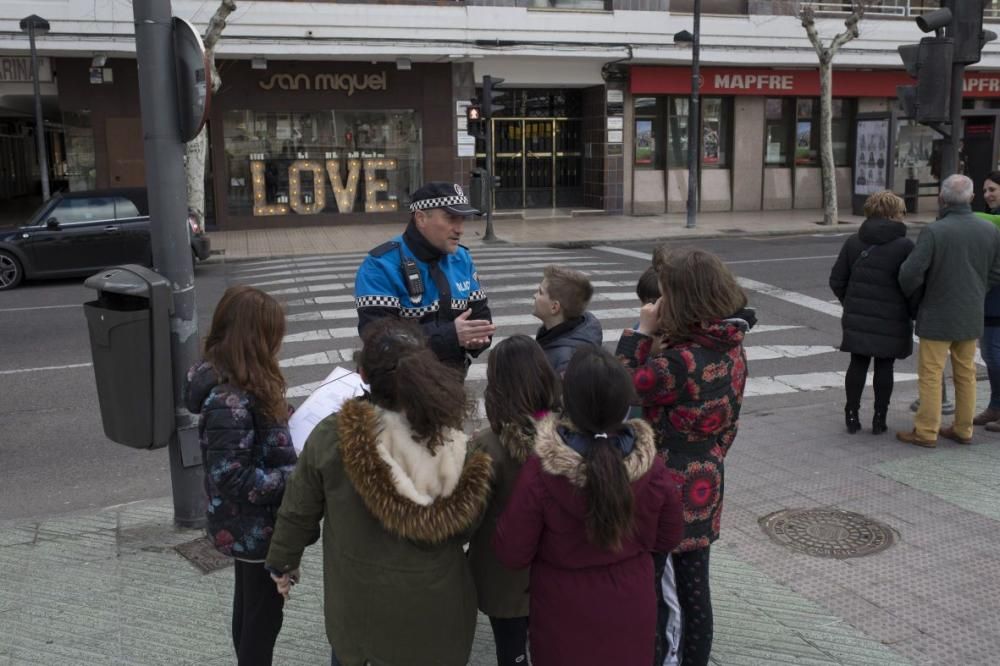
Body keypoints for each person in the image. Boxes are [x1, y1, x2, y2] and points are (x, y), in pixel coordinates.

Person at [265, 319, 493, 666]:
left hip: (357, 613)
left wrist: (283, 563)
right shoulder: (451, 441)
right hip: (435, 614)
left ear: (362, 374)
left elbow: (298, 510)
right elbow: (466, 526)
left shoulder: (333, 435)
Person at [493, 346, 684, 666]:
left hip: (561, 609)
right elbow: (669, 537)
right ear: (625, 405)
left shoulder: (542, 471)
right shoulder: (652, 468)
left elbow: (512, 552)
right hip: (631, 601)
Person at [616, 246, 750, 666]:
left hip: (665, 489)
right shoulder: (731, 346)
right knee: (695, 591)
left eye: (667, 293)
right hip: (706, 481)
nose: (659, 302)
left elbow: (614, 387)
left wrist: (640, 331)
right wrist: (707, 456)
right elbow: (730, 422)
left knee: (657, 593)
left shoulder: (679, 363)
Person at [182, 286, 297, 666]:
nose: (277, 344)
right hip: (253, 527)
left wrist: (283, 423)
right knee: (262, 619)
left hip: (250, 525)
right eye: (272, 335)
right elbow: (232, 475)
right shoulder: (227, 398)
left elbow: (251, 437)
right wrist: (292, 479)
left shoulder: (241, 383)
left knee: (251, 610)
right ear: (254, 339)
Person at [468, 335, 561, 666]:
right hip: (558, 570)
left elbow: (468, 518)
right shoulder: (568, 432)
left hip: (504, 577)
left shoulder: (488, 445)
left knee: (511, 651)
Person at [897, 174, 1000, 448]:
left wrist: (917, 296)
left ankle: (926, 430)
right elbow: (996, 270)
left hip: (937, 313)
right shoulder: (989, 230)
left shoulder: (935, 231)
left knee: (931, 373)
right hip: (971, 312)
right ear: (972, 198)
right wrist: (979, 288)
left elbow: (910, 273)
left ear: (941, 199)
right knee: (965, 373)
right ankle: (963, 429)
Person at [353, 181, 495, 374]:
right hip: (399, 394)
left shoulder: (462, 258)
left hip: (452, 386)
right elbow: (380, 342)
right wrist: (451, 336)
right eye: (451, 218)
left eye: (462, 219)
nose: (460, 229)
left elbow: (481, 318)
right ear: (421, 218)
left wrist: (476, 340)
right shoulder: (380, 265)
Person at [829, 191, 916, 435]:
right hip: (892, 316)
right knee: (885, 366)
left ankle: (851, 414)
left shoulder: (854, 241)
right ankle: (880, 418)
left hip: (858, 314)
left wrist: (851, 302)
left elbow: (837, 279)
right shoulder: (905, 246)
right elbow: (912, 282)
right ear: (893, 213)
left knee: (857, 362)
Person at [532, 264, 603, 375]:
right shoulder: (578, 329)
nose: (534, 296)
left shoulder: (565, 361)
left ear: (554, 307)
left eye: (540, 292)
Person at [973, 170, 1000, 430]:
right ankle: (995, 407)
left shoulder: (991, 221)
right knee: (990, 353)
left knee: (993, 353)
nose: (987, 194)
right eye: (984, 190)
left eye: (992, 189)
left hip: (996, 298)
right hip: (989, 298)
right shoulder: (990, 218)